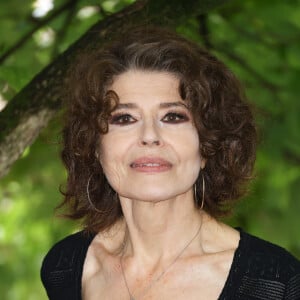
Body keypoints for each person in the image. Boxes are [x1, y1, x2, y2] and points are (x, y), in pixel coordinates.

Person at [40, 26, 300, 300]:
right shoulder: (66, 268)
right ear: (94, 146)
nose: (150, 136)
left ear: (208, 146)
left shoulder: (277, 282)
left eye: (173, 117)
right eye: (124, 118)